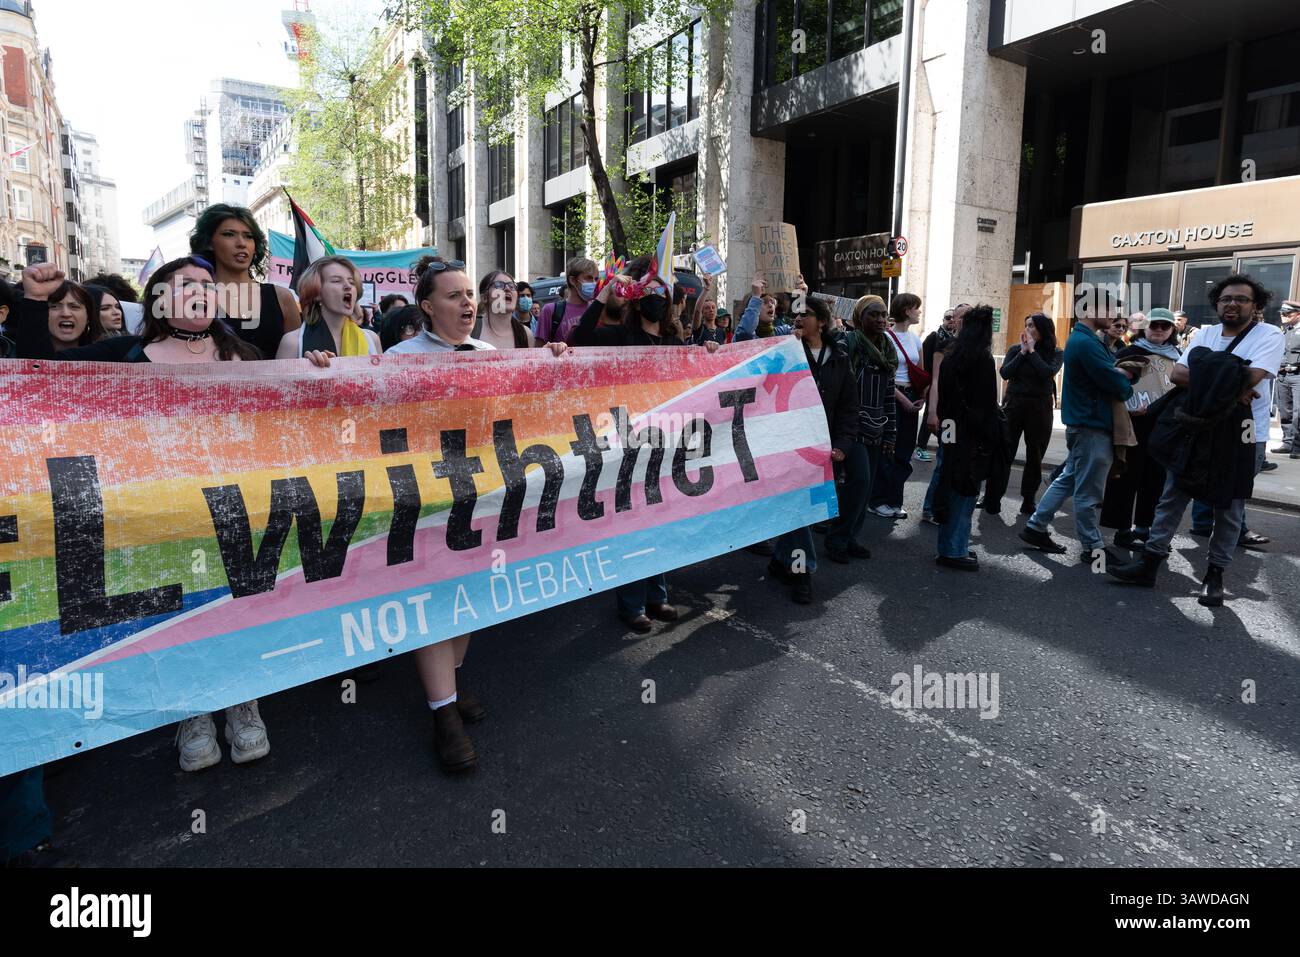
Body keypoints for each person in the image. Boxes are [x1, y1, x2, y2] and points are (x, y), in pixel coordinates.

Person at [18, 259, 301, 771]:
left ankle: (243, 702)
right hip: (163, 519)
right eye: (185, 286)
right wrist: (34, 303)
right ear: (158, 299)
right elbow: (33, 377)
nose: (199, 294)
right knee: (179, 613)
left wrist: (323, 370)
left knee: (233, 607)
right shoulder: (121, 357)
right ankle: (192, 712)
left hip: (236, 510)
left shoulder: (245, 356)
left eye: (207, 287)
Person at [1110, 275, 1284, 606]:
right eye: (1226, 299)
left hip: (1244, 434)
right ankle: (1149, 564)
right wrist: (1231, 378)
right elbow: (1177, 374)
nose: (1232, 304)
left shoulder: (1270, 335)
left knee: (1228, 506)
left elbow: (1253, 377)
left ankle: (1215, 574)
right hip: (1196, 428)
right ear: (1217, 303)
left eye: (1241, 299)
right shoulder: (1205, 333)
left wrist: (1216, 373)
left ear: (1256, 305)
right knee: (1172, 497)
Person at [1019, 290, 1136, 562]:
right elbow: (1115, 382)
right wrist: (1126, 380)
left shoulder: (1087, 340)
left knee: (1068, 479)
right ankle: (1092, 547)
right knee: (1089, 491)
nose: (1113, 315)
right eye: (1109, 309)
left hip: (1086, 424)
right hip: (1091, 425)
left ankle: (1036, 527)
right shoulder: (1085, 343)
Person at [768, 297, 857, 602]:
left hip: (822, 447)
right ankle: (802, 573)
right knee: (801, 508)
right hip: (790, 444)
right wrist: (786, 352)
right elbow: (766, 386)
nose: (799, 319)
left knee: (801, 509)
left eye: (805, 314)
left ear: (821, 321)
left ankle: (781, 560)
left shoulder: (840, 357)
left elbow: (848, 407)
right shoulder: (787, 351)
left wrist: (843, 444)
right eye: (795, 314)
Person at [1099, 309, 1181, 548]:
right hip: (1131, 424)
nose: (1158, 330)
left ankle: (1146, 529)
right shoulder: (1127, 352)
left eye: (1164, 326)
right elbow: (1112, 387)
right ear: (1143, 327)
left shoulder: (1179, 356)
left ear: (1172, 331)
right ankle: (1122, 530)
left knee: (1156, 480)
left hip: (1164, 427)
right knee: (1125, 477)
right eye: (1153, 325)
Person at [826, 295, 896, 562]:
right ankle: (837, 538)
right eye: (873, 314)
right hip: (850, 427)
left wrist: (890, 432)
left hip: (877, 427)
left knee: (864, 490)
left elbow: (888, 394)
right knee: (859, 481)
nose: (880, 320)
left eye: (883, 315)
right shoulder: (847, 343)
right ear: (859, 318)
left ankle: (851, 537)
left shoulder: (888, 351)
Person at [932, 306, 999, 570]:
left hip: (952, 430)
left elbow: (945, 399)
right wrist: (988, 437)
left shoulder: (952, 355)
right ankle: (953, 550)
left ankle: (952, 546)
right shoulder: (982, 359)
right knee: (966, 490)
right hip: (971, 435)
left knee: (951, 484)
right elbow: (986, 405)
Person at [189, 203, 301, 358]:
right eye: (229, 234)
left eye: (248, 236)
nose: (241, 243)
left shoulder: (282, 298)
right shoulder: (193, 297)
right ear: (208, 242)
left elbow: (297, 360)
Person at [983, 312, 1062, 516]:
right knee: (1004, 451)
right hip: (1014, 404)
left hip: (1040, 407)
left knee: (1035, 455)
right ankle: (992, 498)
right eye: (1026, 324)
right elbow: (1005, 373)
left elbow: (1046, 373)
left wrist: (1033, 351)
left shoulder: (1056, 352)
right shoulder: (1015, 350)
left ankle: (1028, 499)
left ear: (1044, 330)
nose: (1028, 329)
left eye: (1033, 325)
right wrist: (1023, 353)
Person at [869, 293, 924, 519]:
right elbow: (884, 376)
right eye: (916, 308)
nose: (919, 311)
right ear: (906, 310)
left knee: (904, 452)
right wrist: (905, 400)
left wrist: (920, 397)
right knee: (887, 450)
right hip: (892, 397)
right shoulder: (886, 338)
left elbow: (921, 372)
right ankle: (878, 500)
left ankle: (895, 500)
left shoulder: (916, 339)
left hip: (911, 396)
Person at [276, 256, 382, 358]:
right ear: (316, 293)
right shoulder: (293, 343)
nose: (348, 286)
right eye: (336, 281)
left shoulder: (372, 340)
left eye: (351, 282)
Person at [535, 255, 597, 345]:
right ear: (573, 280)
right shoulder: (550, 310)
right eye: (589, 278)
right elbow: (538, 350)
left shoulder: (597, 309)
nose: (594, 283)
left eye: (596, 279)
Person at [473, 269, 535, 349]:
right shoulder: (471, 330)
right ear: (484, 297)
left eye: (512, 286)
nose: (508, 289)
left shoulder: (526, 334)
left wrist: (551, 351)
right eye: (499, 285)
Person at [1272, 300, 1299, 459]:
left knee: (1298, 412)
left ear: (1298, 314)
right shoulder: (1284, 331)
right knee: (1285, 410)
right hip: (1283, 375)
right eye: (1282, 313)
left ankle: (1297, 446)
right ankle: (1288, 442)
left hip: (1298, 375)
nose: (1283, 316)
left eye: (1287, 313)